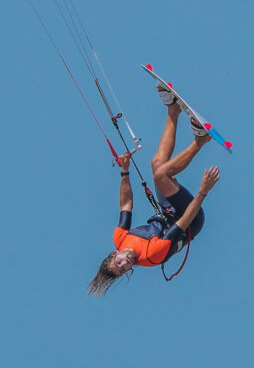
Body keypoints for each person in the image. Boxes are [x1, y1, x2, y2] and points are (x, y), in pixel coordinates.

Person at [88, 85, 221, 295]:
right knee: (161, 176)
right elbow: (183, 222)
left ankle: (173, 110)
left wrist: (125, 171)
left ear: (115, 254)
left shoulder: (120, 238)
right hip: (190, 220)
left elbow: (126, 204)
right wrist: (203, 190)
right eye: (125, 269)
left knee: (157, 164)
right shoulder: (152, 256)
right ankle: (200, 139)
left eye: (120, 263)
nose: (126, 264)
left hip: (169, 211)